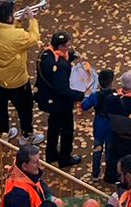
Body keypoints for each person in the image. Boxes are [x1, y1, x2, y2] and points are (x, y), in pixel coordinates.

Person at [0, 0, 42, 142]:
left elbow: (7, 31)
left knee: (1, 106)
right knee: (25, 108)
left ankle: (4, 131)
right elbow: (34, 38)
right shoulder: (18, 36)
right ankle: (27, 134)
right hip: (17, 81)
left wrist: (18, 22)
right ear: (10, 17)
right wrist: (32, 20)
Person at [36, 33, 82, 167]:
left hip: (49, 99)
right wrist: (79, 96)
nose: (69, 49)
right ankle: (65, 158)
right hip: (60, 104)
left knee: (53, 127)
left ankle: (51, 155)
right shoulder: (59, 66)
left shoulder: (45, 54)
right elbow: (63, 90)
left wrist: (70, 57)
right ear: (60, 46)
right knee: (67, 131)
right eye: (67, 47)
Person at [2, 142, 61, 207]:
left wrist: (49, 197)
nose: (39, 165)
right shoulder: (17, 196)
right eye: (36, 162)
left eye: (39, 160)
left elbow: (40, 184)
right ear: (24, 166)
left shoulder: (27, 173)